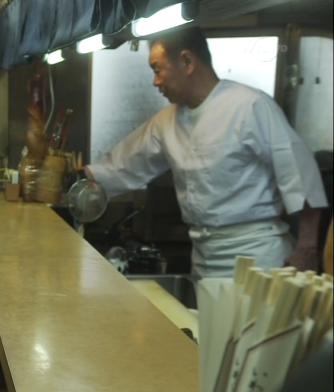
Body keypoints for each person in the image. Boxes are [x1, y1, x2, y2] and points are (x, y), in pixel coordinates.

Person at [86, 27, 328, 279]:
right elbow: (122, 165)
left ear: (187, 62)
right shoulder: (166, 122)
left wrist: (307, 249)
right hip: (204, 257)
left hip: (257, 256)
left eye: (157, 70)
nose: (155, 81)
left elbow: (300, 176)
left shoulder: (249, 105)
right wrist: (79, 180)